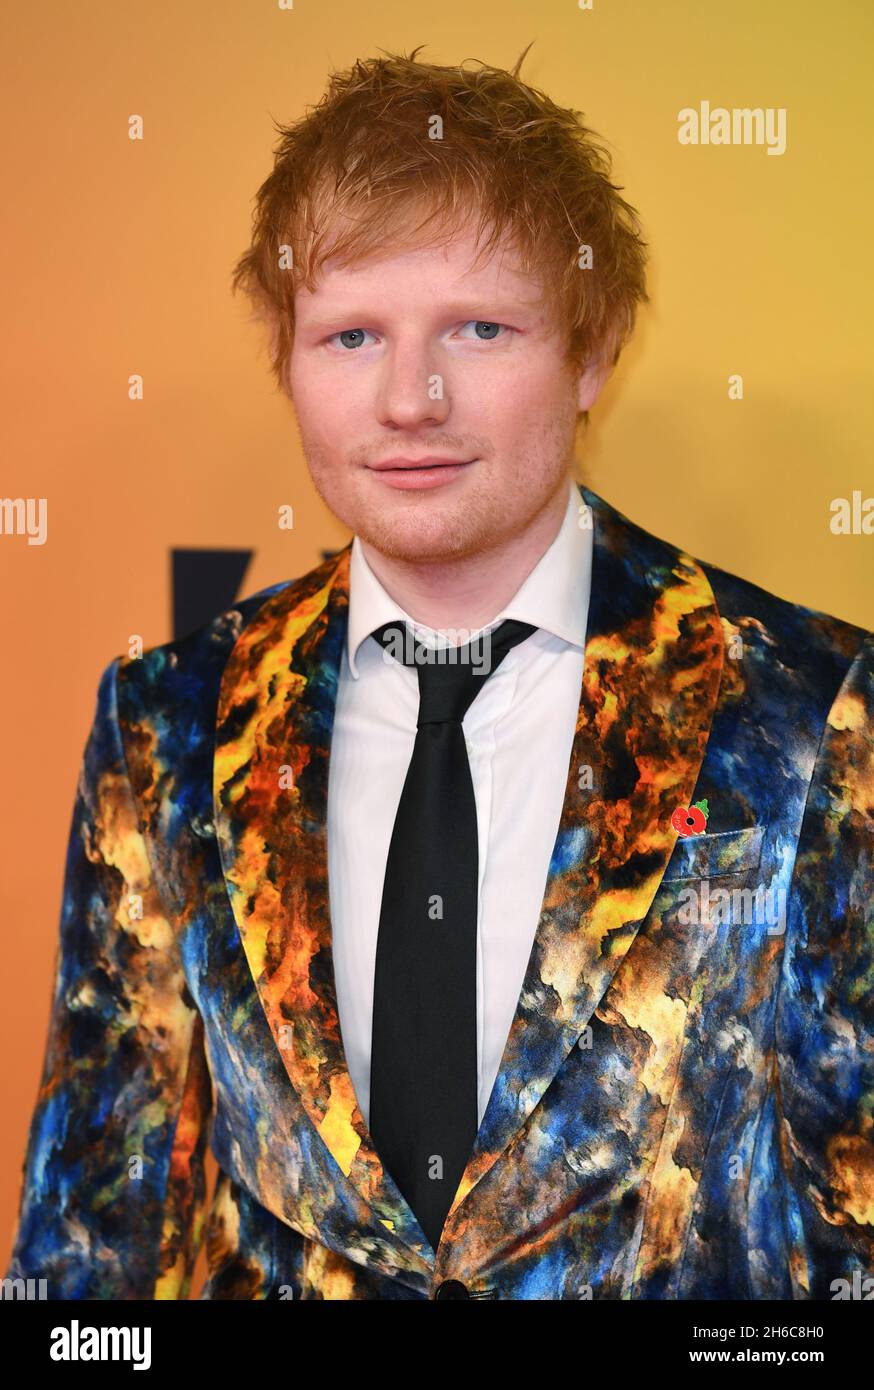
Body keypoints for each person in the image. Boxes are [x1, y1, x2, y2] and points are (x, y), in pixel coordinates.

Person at [5, 47, 872, 1301]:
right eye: (352, 334)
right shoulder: (169, 721)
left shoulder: (802, 708)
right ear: (286, 359)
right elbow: (93, 1235)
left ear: (592, 348)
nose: (411, 398)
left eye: (478, 327)